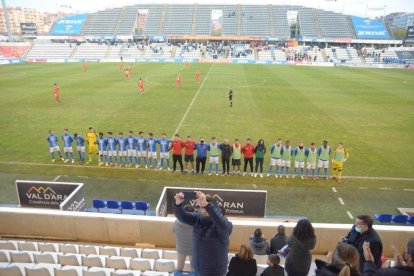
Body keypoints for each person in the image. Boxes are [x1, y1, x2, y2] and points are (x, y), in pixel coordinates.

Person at [173, 191, 233, 276]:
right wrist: (177, 205)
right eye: (202, 207)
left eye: (205, 208)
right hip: (198, 267)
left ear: (213, 209)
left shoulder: (223, 224)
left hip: (215, 270)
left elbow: (224, 227)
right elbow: (183, 217)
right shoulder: (197, 218)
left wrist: (207, 205)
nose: (203, 210)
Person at [173, 205, 194, 272]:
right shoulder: (196, 224)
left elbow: (174, 231)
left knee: (179, 267)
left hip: (181, 249)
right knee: (194, 269)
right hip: (193, 250)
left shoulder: (176, 222)